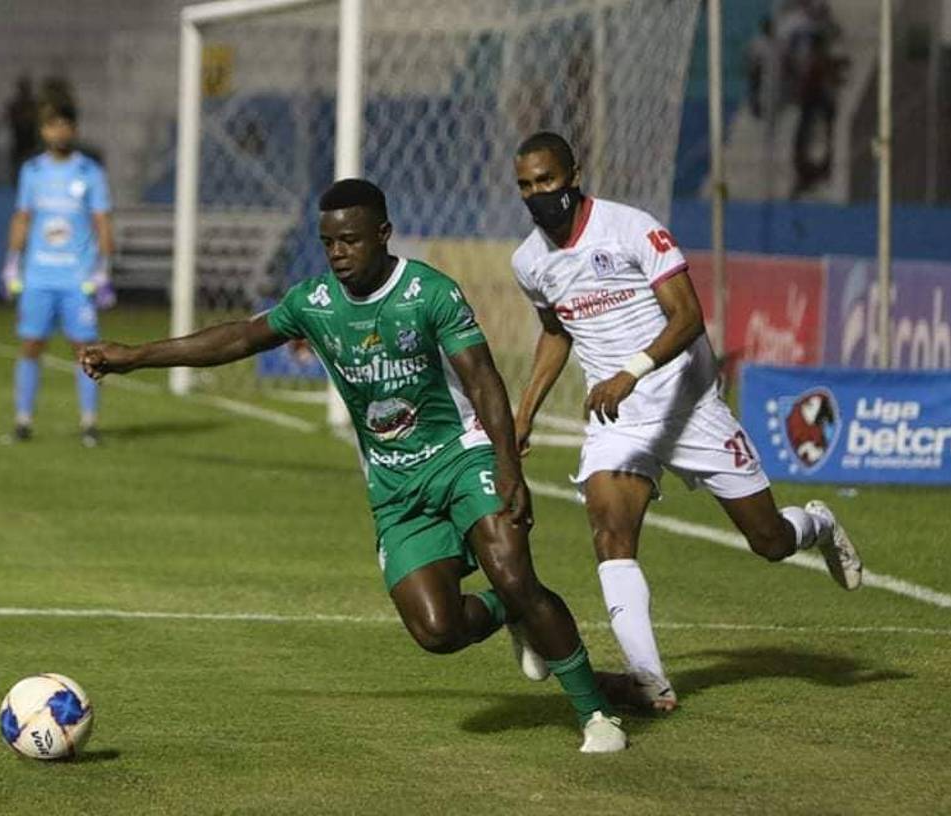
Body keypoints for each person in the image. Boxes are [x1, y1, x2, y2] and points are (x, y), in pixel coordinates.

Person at [78, 178, 627, 753]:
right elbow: (238, 337)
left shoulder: (429, 292)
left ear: (383, 234)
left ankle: (596, 715)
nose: (338, 253)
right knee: (438, 631)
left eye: (350, 240)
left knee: (514, 573)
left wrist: (508, 466)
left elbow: (484, 382)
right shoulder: (313, 303)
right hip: (394, 484)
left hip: (460, 456)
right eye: (328, 243)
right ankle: (505, 611)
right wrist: (135, 357)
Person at [509, 132, 862, 712]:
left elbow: (688, 317)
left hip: (688, 406)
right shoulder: (529, 261)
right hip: (619, 421)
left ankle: (818, 523)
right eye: (525, 186)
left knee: (769, 540)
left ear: (573, 175)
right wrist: (525, 413)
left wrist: (629, 373)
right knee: (610, 535)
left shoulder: (630, 228)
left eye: (546, 180)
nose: (536, 194)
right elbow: (555, 331)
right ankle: (650, 679)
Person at [2, 101, 115, 447]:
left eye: (65, 125)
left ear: (74, 130)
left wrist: (104, 269)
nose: (59, 132)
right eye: (53, 125)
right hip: (39, 276)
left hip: (77, 278)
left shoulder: (89, 172)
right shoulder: (32, 171)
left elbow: (101, 221)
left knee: (86, 349)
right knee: (31, 345)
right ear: (44, 130)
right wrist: (11, 262)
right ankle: (23, 420)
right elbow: (22, 217)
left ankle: (89, 422)